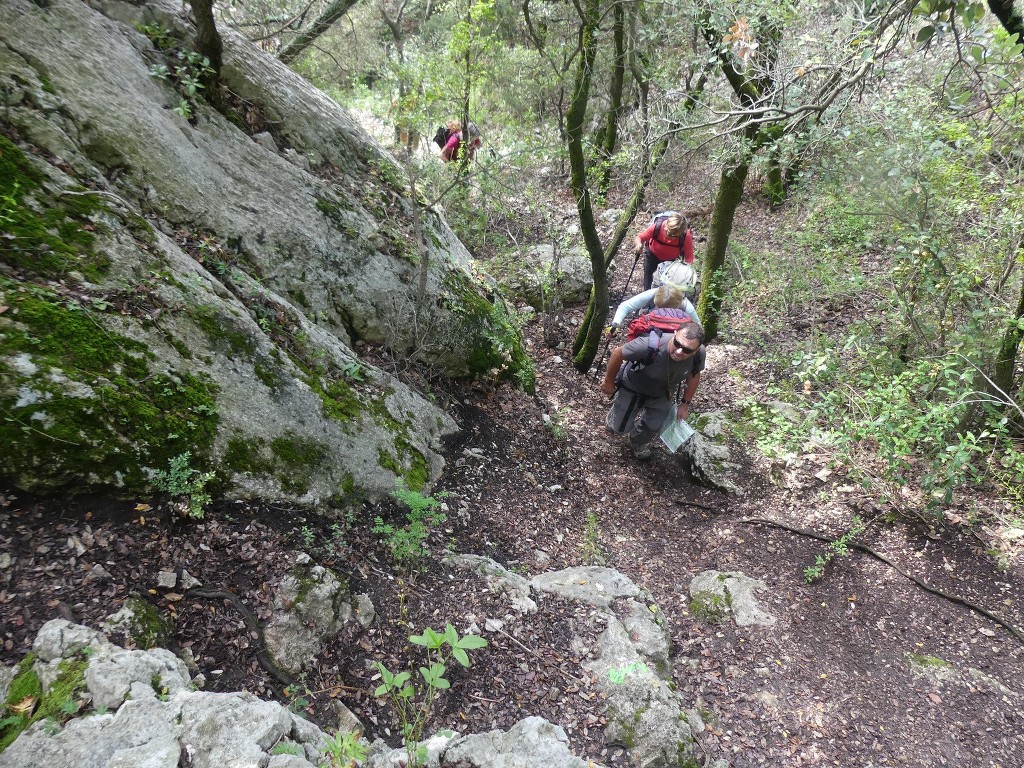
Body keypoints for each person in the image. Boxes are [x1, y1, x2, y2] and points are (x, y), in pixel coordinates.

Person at [601, 322, 706, 461]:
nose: (680, 351)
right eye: (677, 343)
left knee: (653, 425)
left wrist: (685, 404)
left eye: (687, 350)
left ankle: (637, 442)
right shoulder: (647, 345)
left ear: (696, 350)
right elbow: (617, 353)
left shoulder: (699, 354)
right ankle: (615, 417)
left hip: (663, 393)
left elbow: (694, 375)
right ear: (675, 334)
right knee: (619, 429)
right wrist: (608, 382)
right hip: (633, 387)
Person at [609, 261, 699, 333]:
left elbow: (697, 327)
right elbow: (625, 306)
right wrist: (616, 323)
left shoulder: (685, 305)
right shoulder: (653, 294)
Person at [634, 212, 694, 291]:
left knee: (667, 285)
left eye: (673, 236)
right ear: (666, 225)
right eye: (667, 232)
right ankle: (648, 300)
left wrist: (686, 273)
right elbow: (639, 237)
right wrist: (638, 245)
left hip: (671, 262)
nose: (669, 237)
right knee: (648, 281)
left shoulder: (686, 236)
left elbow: (689, 258)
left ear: (681, 233)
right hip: (652, 256)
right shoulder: (658, 226)